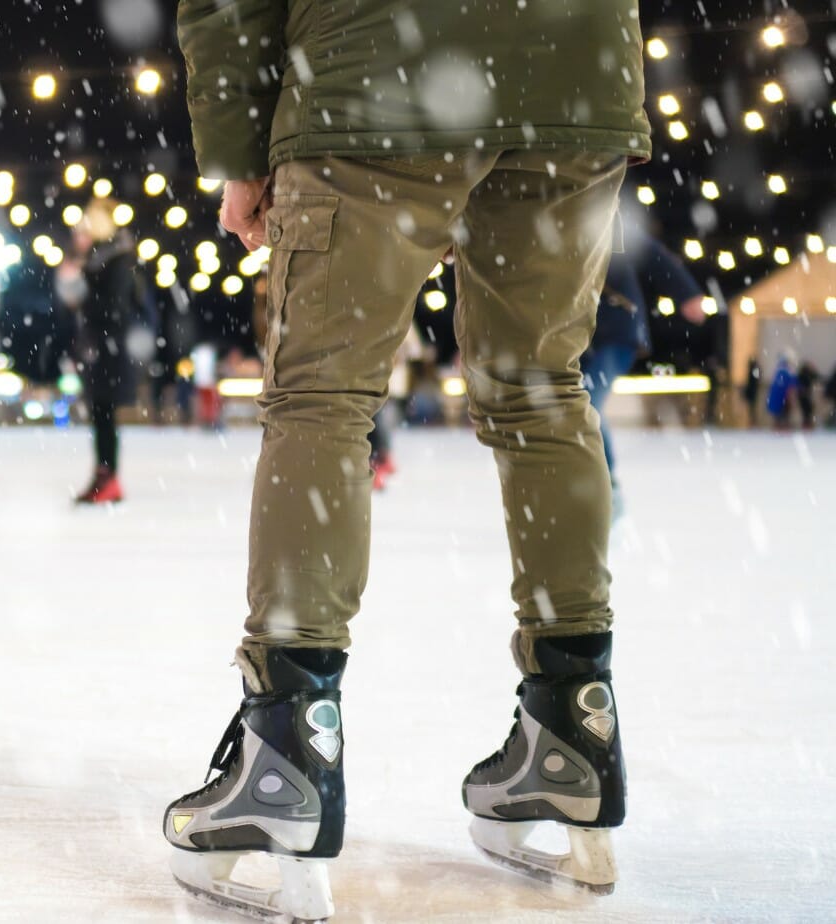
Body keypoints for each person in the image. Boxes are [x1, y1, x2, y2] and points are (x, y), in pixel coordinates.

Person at [165, 1, 649, 917]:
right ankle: (572, 722)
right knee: (545, 386)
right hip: (573, 67)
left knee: (322, 396)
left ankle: (289, 748)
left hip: (374, 76)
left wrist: (237, 150)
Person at [56, 199, 137, 505]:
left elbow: (113, 308)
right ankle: (105, 476)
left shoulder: (117, 259)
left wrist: (82, 286)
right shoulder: (99, 258)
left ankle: (107, 478)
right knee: (100, 414)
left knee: (104, 414)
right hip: (99, 347)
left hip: (108, 349)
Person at [580, 256, 648, 520]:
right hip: (588, 339)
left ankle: (608, 485)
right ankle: (595, 484)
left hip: (617, 335)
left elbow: (650, 253)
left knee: (587, 401)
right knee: (580, 403)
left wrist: (686, 292)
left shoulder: (601, 226)